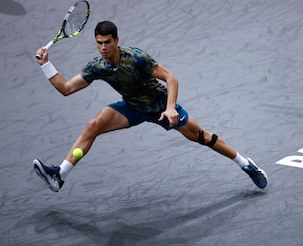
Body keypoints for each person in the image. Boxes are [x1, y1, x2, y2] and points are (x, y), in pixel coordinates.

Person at [33, 21, 267, 192]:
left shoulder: (135, 57)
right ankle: (60, 175)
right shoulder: (97, 66)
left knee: (202, 137)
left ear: (116, 40)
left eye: (107, 42)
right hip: (132, 107)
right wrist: (46, 65)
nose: (103, 48)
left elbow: (171, 78)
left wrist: (171, 107)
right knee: (93, 125)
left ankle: (247, 165)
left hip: (160, 107)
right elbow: (66, 88)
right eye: (99, 43)